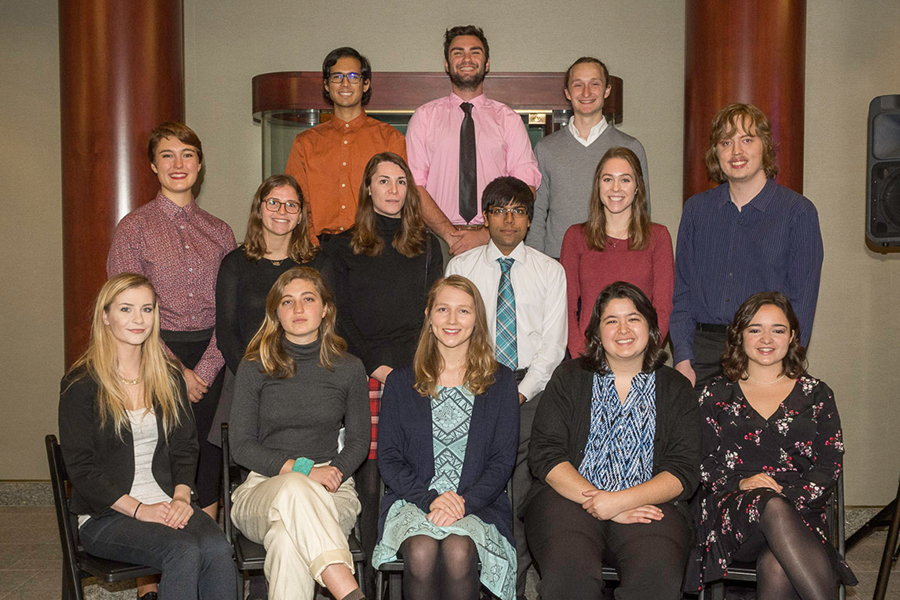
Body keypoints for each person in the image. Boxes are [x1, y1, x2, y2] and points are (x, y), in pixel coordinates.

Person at [58, 273, 237, 600]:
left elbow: (186, 447)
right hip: (107, 515)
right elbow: (82, 470)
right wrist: (142, 510)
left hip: (168, 502)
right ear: (106, 316)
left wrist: (182, 496)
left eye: (147, 309)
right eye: (126, 309)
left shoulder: (168, 376)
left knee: (217, 549)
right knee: (183, 550)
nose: (138, 319)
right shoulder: (80, 384)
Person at [524, 282, 699, 600]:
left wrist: (619, 502)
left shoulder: (677, 388)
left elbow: (684, 470)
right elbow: (545, 455)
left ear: (650, 326)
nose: (623, 330)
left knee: (656, 581)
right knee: (570, 578)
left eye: (633, 318)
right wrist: (600, 501)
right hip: (568, 499)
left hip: (651, 505)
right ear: (596, 332)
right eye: (611, 320)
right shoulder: (569, 377)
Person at [323, 152, 443, 592]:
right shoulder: (340, 246)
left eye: (400, 181)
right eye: (383, 181)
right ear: (368, 189)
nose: (393, 190)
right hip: (363, 370)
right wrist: (378, 367)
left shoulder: (428, 245)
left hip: (416, 372)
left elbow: (433, 313)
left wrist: (410, 370)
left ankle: (409, 580)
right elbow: (338, 315)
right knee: (371, 486)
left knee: (413, 477)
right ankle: (368, 587)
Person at [686, 292, 856, 598]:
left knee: (777, 564)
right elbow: (699, 462)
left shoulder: (817, 394)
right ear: (739, 335)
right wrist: (742, 482)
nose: (767, 338)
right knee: (772, 505)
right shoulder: (713, 394)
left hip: (801, 513)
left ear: (792, 336)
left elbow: (830, 465)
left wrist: (788, 494)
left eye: (777, 329)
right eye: (755, 329)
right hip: (733, 515)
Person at [107, 122, 235, 523]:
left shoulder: (220, 231)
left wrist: (206, 370)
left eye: (187, 154)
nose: (178, 163)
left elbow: (230, 310)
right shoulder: (134, 228)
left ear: (200, 165)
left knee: (208, 458)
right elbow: (126, 308)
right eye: (167, 155)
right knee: (159, 457)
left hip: (214, 357)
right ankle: (152, 581)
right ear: (152, 165)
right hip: (152, 353)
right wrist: (176, 371)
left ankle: (207, 553)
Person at [445, 175, 566, 598]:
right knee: (479, 486)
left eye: (518, 211)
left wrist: (519, 392)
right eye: (498, 210)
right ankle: (476, 578)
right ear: (486, 217)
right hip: (476, 383)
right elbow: (451, 331)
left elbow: (553, 346)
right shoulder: (461, 267)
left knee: (522, 493)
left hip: (533, 390)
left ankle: (512, 586)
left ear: (530, 219)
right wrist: (489, 388)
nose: (508, 220)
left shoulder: (551, 271)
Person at [373, 275, 519, 600]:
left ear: (477, 319)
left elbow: (502, 461)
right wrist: (430, 499)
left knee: (458, 550)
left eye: (464, 311)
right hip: (413, 500)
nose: (452, 320)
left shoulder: (502, 383)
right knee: (421, 549)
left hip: (480, 504)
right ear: (429, 316)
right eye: (443, 309)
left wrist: (463, 503)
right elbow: (390, 458)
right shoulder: (400, 382)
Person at [229, 267, 370, 600]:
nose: (298, 309)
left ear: (325, 309)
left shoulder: (349, 367)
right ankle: (348, 591)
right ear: (276, 313)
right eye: (287, 301)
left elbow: (358, 442)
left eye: (308, 299)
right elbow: (242, 447)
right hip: (263, 489)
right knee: (294, 484)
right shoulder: (254, 366)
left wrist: (332, 471)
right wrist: (306, 471)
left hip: (333, 490)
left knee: (286, 540)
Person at [670, 103, 824, 389]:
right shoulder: (696, 210)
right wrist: (682, 357)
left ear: (765, 146)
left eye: (747, 139)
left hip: (766, 354)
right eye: (726, 142)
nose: (736, 151)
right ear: (716, 152)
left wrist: (787, 362)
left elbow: (802, 301)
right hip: (701, 359)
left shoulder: (798, 213)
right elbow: (683, 293)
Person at [406, 25, 541, 256]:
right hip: (436, 240)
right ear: (447, 64)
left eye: (475, 52)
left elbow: (525, 186)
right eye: (457, 52)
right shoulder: (424, 117)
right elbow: (413, 185)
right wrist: (449, 235)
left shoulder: (508, 119)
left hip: (495, 240)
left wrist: (483, 235)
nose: (466, 58)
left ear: (486, 63)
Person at [528, 57, 650, 259]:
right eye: (578, 85)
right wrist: (535, 262)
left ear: (607, 90)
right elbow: (537, 213)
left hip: (614, 259)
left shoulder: (630, 147)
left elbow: (642, 211)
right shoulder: (545, 149)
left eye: (594, 84)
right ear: (567, 92)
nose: (586, 92)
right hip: (558, 261)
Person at [285, 46, 407, 245]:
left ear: (365, 84)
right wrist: (312, 247)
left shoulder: (390, 139)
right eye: (337, 77)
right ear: (326, 84)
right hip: (320, 249)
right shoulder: (305, 143)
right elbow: (295, 201)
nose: (345, 83)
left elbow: (400, 201)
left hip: (373, 247)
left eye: (353, 76)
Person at [560, 147, 673, 357]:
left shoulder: (658, 237)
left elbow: (663, 308)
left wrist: (645, 354)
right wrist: (580, 356)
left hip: (640, 356)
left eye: (625, 180)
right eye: (608, 179)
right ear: (598, 185)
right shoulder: (576, 237)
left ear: (637, 186)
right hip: (588, 357)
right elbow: (565, 307)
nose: (615, 188)